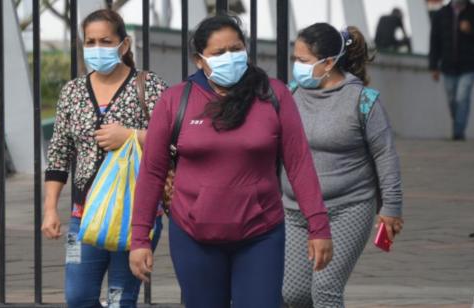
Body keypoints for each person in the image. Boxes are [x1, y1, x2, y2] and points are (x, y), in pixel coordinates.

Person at [129, 15, 333, 308]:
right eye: (218, 53)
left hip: (260, 236)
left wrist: (318, 226)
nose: (229, 57)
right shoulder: (175, 101)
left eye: (235, 49)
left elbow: (299, 163)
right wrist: (140, 239)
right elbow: (152, 172)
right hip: (192, 237)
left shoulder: (273, 95)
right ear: (199, 60)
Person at [41, 9, 167, 307]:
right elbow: (59, 152)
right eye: (91, 41)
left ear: (123, 45)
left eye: (106, 41)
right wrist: (49, 209)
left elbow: (175, 138)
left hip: (135, 211)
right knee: (78, 296)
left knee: (121, 297)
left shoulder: (148, 86)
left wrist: (132, 136)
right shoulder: (72, 92)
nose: (97, 48)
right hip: (83, 215)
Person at [282, 23, 404, 308]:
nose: (296, 67)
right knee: (293, 294)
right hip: (294, 210)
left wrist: (391, 209)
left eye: (303, 61)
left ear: (328, 62)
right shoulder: (290, 95)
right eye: (294, 59)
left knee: (325, 288)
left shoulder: (362, 101)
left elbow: (386, 156)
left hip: (347, 208)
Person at [429, 0, 474, 140]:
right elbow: (434, 41)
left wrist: (472, 31)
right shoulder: (441, 14)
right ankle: (458, 128)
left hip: (469, 66)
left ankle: (458, 133)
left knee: (462, 97)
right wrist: (433, 66)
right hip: (448, 66)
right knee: (452, 100)